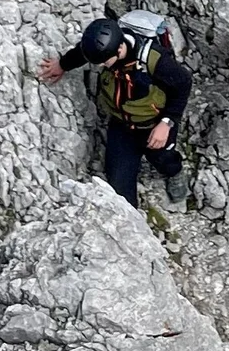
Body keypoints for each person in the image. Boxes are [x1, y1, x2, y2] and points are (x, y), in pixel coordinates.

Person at [38, 12, 191, 207]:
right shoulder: (106, 49)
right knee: (120, 193)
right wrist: (62, 64)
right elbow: (84, 52)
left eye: (104, 62)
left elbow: (184, 84)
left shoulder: (154, 60)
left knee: (163, 157)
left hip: (154, 122)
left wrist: (167, 123)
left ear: (119, 49)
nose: (102, 66)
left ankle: (175, 172)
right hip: (122, 125)